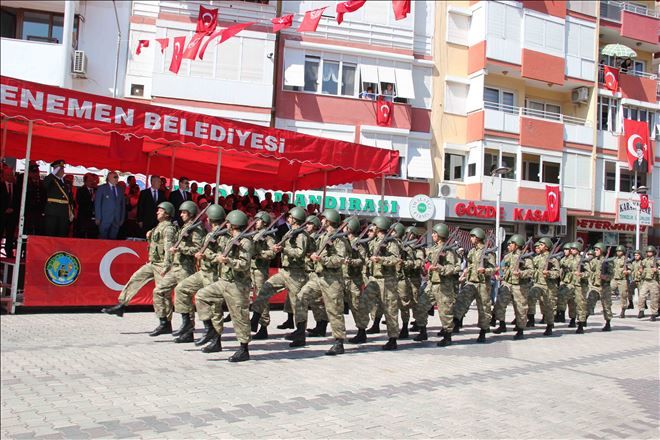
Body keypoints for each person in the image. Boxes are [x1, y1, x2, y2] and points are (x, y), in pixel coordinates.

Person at [101, 202, 177, 336]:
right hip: (153, 262)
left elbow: (168, 248)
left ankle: (165, 322)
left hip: (161, 264)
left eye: (160, 210)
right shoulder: (159, 226)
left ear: (167, 213)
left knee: (163, 294)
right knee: (136, 278)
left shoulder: (168, 229)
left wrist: (166, 266)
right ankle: (122, 305)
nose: (157, 212)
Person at [195, 210, 255, 362]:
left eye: (228, 223)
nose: (226, 225)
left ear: (234, 224)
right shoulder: (230, 239)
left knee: (239, 317)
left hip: (238, 285)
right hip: (224, 281)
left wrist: (228, 261)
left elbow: (244, 264)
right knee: (201, 296)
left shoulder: (245, 242)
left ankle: (243, 349)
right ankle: (209, 328)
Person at [251, 206, 310, 348]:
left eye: (290, 217)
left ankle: (301, 334)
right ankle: (255, 320)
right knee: (265, 289)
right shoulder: (291, 232)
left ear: (296, 219)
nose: (288, 218)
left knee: (298, 305)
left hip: (296, 274)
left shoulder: (301, 235)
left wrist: (284, 249)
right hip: (285, 271)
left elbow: (300, 252)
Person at [154, 201, 205, 343]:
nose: (181, 214)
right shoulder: (184, 227)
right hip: (176, 266)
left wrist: (181, 249)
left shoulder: (197, 229)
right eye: (181, 212)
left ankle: (188, 330)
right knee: (159, 291)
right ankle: (164, 322)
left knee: (185, 297)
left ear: (190, 214)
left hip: (185, 268)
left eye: (184, 212)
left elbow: (198, 248)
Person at [307, 209, 349, 355]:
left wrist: (321, 259)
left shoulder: (339, 239)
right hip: (319, 277)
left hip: (332, 280)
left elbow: (339, 259)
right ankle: (303, 331)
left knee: (334, 310)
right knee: (301, 296)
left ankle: (339, 342)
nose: (322, 221)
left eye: (324, 218)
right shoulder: (323, 236)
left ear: (329, 220)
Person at [363, 216, 401, 350]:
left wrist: (380, 259)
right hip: (374, 278)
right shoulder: (374, 241)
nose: (371, 228)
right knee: (363, 303)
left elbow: (395, 259)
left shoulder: (391, 242)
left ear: (378, 227)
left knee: (390, 309)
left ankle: (393, 339)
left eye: (374, 226)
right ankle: (361, 331)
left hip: (387, 280)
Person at [458, 228, 496, 343]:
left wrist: (485, 270)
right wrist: (464, 274)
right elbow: (470, 266)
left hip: (483, 284)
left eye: (473, 236)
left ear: (478, 237)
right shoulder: (472, 251)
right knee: (460, 302)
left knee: (484, 309)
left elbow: (494, 269)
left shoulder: (488, 252)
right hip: (471, 282)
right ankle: (455, 325)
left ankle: (483, 332)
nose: (471, 239)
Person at [426, 224, 460, 346]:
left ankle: (447, 336)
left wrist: (440, 268)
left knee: (445, 312)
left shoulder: (448, 251)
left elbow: (454, 268)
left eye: (435, 233)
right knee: (421, 306)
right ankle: (422, 330)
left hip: (443, 285)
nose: (433, 235)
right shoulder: (434, 248)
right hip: (432, 283)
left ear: (441, 235)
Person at [492, 234, 529, 340]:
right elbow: (504, 267)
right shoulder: (508, 256)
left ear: (517, 245)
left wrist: (521, 273)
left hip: (519, 286)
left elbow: (531, 271)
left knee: (520, 308)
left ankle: (520, 329)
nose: (509, 246)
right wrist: (502, 274)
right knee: (500, 304)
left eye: (511, 244)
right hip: (507, 284)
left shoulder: (525, 257)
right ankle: (502, 324)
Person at [249, 211, 277, 340]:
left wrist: (259, 254)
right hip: (251, 268)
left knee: (262, 298)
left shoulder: (268, 237)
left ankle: (263, 326)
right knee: (252, 297)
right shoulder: (254, 234)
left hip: (260, 270)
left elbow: (273, 253)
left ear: (264, 222)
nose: (256, 222)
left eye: (258, 220)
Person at [343, 217, 370, 344]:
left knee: (356, 305)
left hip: (354, 279)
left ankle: (361, 331)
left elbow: (362, 259)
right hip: (343, 278)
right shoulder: (343, 241)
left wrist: (352, 262)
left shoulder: (358, 242)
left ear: (350, 228)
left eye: (345, 226)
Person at [525, 237, 559, 336]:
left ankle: (549, 325)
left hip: (549, 286)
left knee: (549, 306)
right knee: (530, 298)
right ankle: (531, 319)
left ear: (547, 247)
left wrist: (548, 273)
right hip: (537, 283)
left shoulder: (553, 259)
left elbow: (557, 273)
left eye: (541, 245)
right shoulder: (536, 258)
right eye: (539, 245)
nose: (539, 246)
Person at [584, 243, 613, 331]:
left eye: (597, 250)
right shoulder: (593, 260)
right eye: (595, 250)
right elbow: (588, 269)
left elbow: (612, 274)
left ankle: (608, 323)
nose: (595, 252)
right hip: (594, 286)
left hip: (605, 287)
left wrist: (606, 277)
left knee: (606, 305)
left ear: (602, 251)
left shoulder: (608, 261)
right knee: (589, 303)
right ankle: (584, 320)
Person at [43, 160, 74, 237]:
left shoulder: (66, 182)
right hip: (53, 211)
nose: (61, 170)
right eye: (59, 168)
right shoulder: (51, 180)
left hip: (64, 212)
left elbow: (69, 198)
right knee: (51, 234)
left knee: (62, 234)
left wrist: (71, 211)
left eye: (62, 168)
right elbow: (45, 184)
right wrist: (53, 173)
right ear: (55, 169)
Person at [93, 172, 125, 240]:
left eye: (117, 177)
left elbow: (122, 205)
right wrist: (98, 217)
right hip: (104, 219)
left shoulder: (120, 189)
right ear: (109, 178)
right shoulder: (102, 188)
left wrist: (122, 218)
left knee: (113, 240)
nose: (117, 179)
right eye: (115, 177)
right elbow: (97, 204)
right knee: (103, 239)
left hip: (116, 219)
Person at [0, 166, 19, 256]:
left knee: (10, 235)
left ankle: (9, 252)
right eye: (7, 174)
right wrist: (4, 209)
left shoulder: (16, 187)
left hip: (12, 215)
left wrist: (13, 209)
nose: (10, 176)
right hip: (2, 214)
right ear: (3, 175)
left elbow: (18, 201)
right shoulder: (1, 185)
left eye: (11, 174)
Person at [637, 245, 659, 321]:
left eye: (650, 252)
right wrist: (640, 271)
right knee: (641, 296)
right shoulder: (644, 261)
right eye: (648, 252)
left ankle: (654, 313)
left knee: (654, 298)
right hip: (645, 281)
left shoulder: (657, 261)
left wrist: (657, 270)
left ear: (653, 253)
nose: (649, 253)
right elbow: (640, 268)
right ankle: (641, 310)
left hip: (654, 281)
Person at [610, 245, 629, 318]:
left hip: (623, 280)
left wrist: (627, 272)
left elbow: (631, 269)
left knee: (623, 295)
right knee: (608, 291)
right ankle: (608, 308)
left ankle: (623, 310)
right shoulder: (615, 259)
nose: (618, 252)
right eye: (617, 251)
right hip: (614, 279)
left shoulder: (626, 260)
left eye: (620, 251)